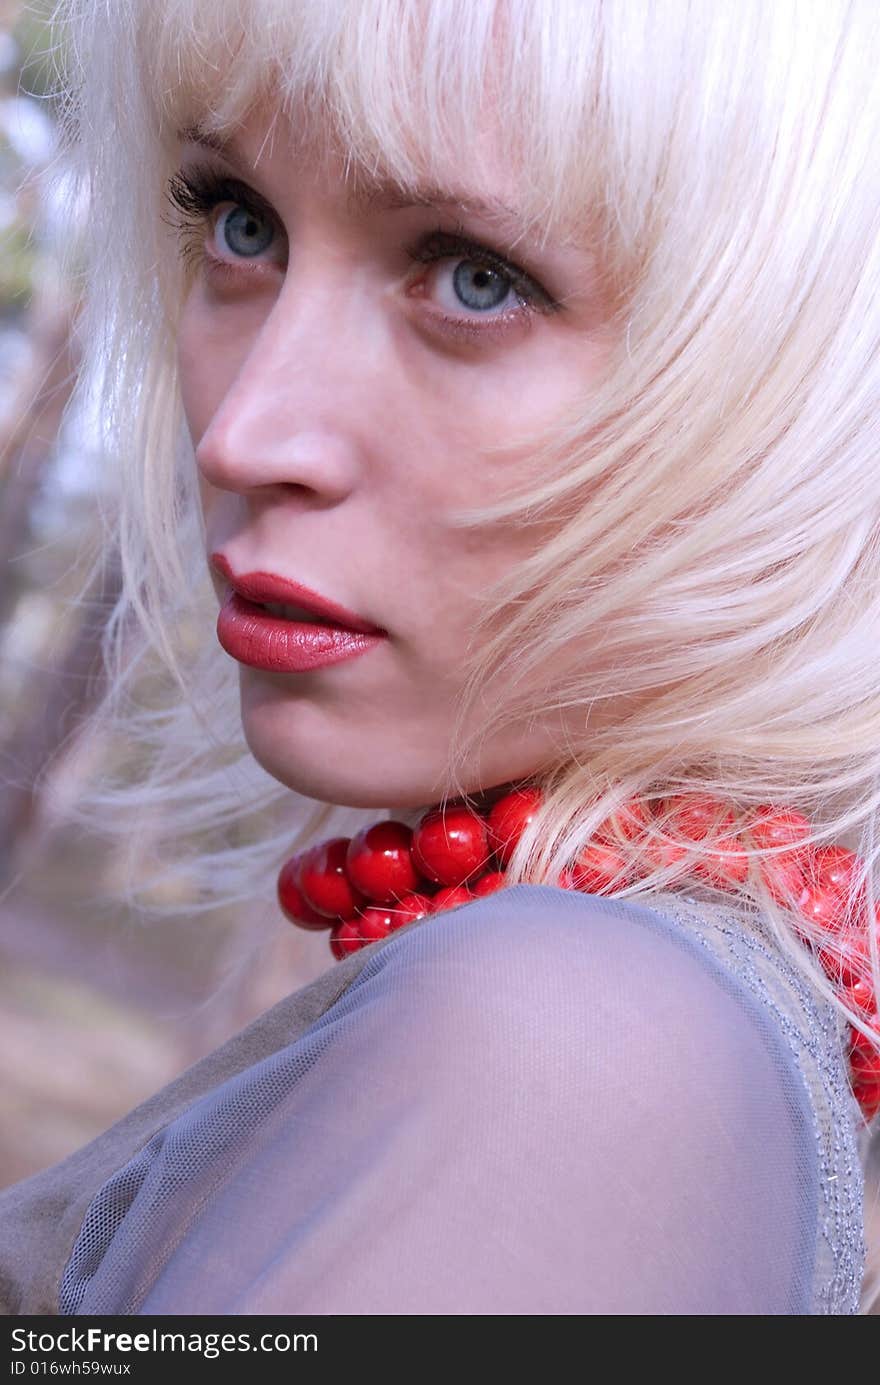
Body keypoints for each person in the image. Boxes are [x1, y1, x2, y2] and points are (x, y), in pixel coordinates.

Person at [0, 0, 878, 1315]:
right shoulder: (651, 1009)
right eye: (241, 221)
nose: (247, 430)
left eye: (477, 275)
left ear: (799, 393)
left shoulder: (567, 1050)